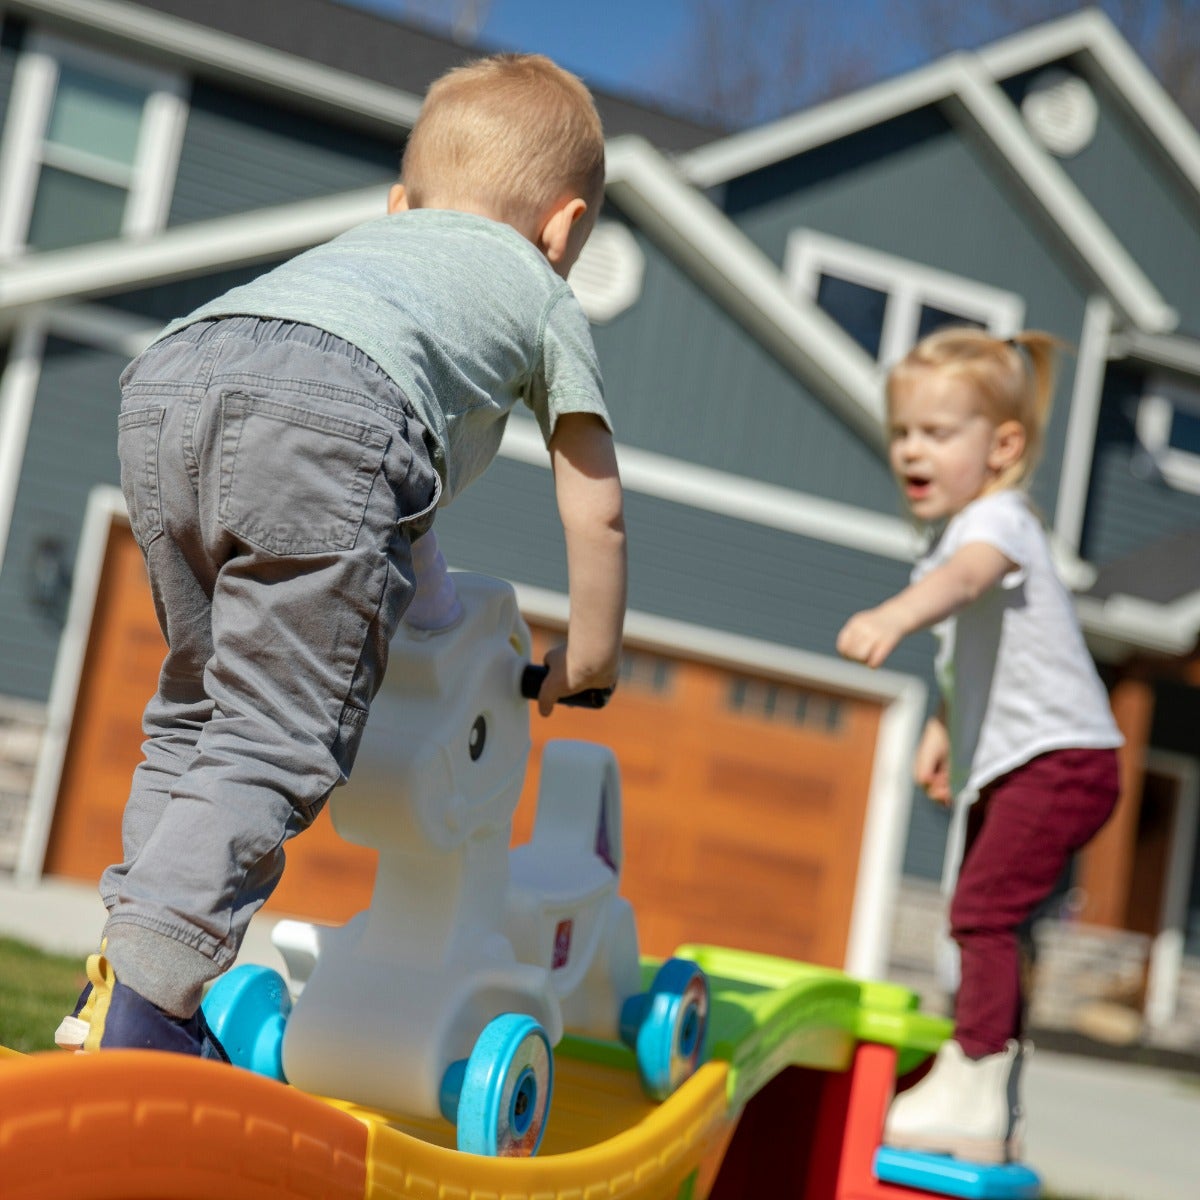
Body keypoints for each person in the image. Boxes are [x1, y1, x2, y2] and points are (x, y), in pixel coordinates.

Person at [56, 53, 625, 1058]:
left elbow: (392, 512)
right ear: (565, 227)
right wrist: (590, 656)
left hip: (174, 377)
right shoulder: (535, 287)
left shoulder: (373, 258)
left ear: (403, 201)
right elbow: (594, 505)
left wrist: (441, 622)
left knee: (198, 706)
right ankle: (148, 1008)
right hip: (336, 422)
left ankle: (116, 981)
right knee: (273, 736)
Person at [836, 327, 1121, 1163]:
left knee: (980, 913)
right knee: (992, 921)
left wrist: (893, 613)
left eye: (937, 433)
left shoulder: (999, 523)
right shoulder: (964, 527)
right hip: (1035, 759)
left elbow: (963, 585)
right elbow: (972, 646)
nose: (911, 451)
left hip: (1061, 761)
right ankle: (997, 1097)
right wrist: (942, 730)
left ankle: (977, 1085)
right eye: (902, 433)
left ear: (1002, 447)